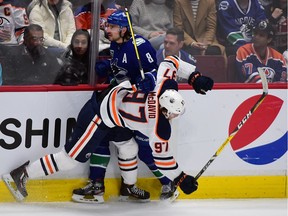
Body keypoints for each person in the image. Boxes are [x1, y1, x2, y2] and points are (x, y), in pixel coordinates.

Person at [2, 54, 213, 202]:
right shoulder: (158, 127)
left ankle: (128, 187)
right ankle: (22, 174)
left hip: (116, 110)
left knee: (129, 147)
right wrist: (181, 177)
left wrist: (194, 77)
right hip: (99, 114)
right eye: (174, 113)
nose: (175, 117)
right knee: (70, 159)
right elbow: (163, 160)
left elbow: (171, 61)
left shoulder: (162, 89)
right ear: (165, 110)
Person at [72, 10, 160, 203]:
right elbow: (120, 69)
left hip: (134, 106)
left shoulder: (141, 46)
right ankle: (98, 186)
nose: (107, 29)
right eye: (108, 25)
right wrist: (109, 69)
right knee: (101, 138)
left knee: (130, 146)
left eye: (112, 26)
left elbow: (156, 71)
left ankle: (130, 187)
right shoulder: (114, 43)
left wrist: (149, 81)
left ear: (123, 29)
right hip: (116, 102)